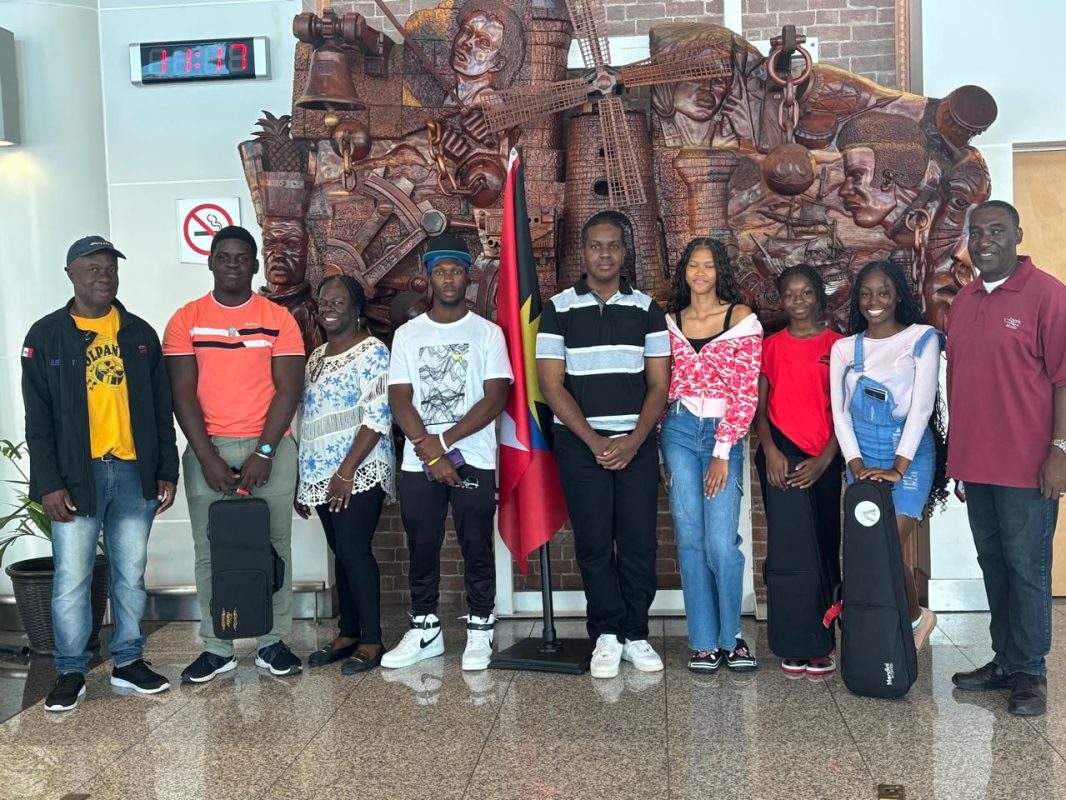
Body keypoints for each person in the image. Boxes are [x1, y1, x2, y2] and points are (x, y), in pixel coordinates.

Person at [22, 235, 179, 712]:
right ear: (70, 274)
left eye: (110, 268)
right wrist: (49, 483)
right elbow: (38, 420)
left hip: (133, 472)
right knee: (72, 577)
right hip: (76, 477)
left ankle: (128, 662)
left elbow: (161, 408)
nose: (104, 276)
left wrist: (166, 469)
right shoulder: (46, 335)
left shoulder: (138, 333)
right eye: (93, 268)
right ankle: (70, 671)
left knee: (130, 574)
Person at [163, 226, 306, 681]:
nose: (232, 265)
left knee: (274, 547)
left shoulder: (277, 319)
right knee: (210, 551)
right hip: (208, 448)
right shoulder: (186, 319)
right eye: (223, 256)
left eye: (242, 258)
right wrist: (207, 458)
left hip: (271, 447)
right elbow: (182, 392)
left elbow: (289, 388)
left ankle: (272, 641)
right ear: (210, 261)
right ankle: (216, 646)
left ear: (254, 264)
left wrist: (264, 450)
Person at [536, 211, 671, 679]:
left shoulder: (648, 310)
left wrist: (634, 441)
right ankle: (607, 635)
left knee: (638, 544)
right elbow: (551, 384)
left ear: (624, 252)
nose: (605, 254)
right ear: (583, 252)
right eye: (596, 246)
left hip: (636, 444)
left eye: (614, 245)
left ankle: (635, 633)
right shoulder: (556, 309)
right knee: (594, 544)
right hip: (580, 445)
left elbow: (659, 384)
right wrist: (594, 440)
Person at [947, 200, 1066, 716]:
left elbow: (1064, 380)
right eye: (977, 232)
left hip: (1027, 465)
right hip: (976, 465)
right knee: (993, 564)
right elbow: (960, 384)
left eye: (996, 230)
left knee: (1027, 567)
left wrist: (1060, 451)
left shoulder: (1048, 295)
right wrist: (958, 464)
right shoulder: (964, 299)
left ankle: (1030, 672)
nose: (985, 241)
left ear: (1017, 235)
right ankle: (1005, 660)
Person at [384, 233, 512, 672]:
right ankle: (425, 629)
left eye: (456, 270)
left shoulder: (488, 333)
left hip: (473, 456)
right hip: (420, 462)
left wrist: (442, 443)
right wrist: (431, 453)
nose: (449, 278)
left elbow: (496, 397)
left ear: (468, 276)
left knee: (476, 541)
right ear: (429, 278)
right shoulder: (408, 334)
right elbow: (400, 398)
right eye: (440, 271)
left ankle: (480, 627)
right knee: (422, 542)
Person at [830, 259, 949, 652]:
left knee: (887, 545)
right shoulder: (844, 348)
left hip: (909, 455)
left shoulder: (922, 338)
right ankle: (893, 624)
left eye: (883, 292)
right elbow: (840, 414)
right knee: (871, 548)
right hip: (861, 453)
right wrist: (856, 464)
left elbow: (921, 408)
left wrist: (899, 467)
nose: (874, 301)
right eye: (866, 294)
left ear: (898, 295)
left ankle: (915, 619)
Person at [659, 238, 763, 673]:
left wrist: (723, 450)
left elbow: (745, 391)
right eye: (693, 265)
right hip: (679, 430)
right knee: (690, 539)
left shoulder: (741, 319)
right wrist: (659, 447)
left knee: (721, 543)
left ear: (720, 271)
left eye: (708, 265)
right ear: (684, 272)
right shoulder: (670, 322)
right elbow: (661, 386)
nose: (700, 273)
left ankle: (731, 638)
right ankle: (703, 642)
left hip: (724, 435)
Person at [295, 275, 394, 674]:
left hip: (359, 469)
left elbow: (378, 415)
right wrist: (304, 479)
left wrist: (346, 471)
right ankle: (348, 632)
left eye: (338, 301)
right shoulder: (316, 357)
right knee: (341, 553)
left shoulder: (373, 351)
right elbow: (308, 419)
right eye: (324, 302)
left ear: (356, 308)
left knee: (355, 550)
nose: (329, 308)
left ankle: (372, 639)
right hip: (320, 472)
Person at [753, 264, 843, 676]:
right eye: (789, 294)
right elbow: (759, 409)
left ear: (818, 296)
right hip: (780, 457)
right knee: (789, 549)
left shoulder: (838, 346)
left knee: (824, 543)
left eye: (806, 292)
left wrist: (825, 460)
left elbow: (845, 411)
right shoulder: (770, 347)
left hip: (823, 458)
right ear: (781, 300)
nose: (798, 301)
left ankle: (821, 641)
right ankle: (792, 638)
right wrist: (771, 451)